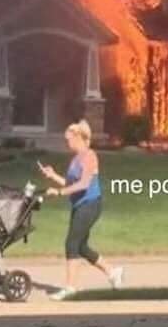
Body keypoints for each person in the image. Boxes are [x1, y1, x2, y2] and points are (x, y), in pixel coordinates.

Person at [38, 119, 124, 300]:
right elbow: (70, 184)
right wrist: (53, 176)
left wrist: (59, 192)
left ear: (78, 138)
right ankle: (112, 272)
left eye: (68, 139)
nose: (67, 142)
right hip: (79, 205)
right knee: (81, 247)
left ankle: (70, 288)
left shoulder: (89, 156)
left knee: (71, 243)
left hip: (90, 205)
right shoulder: (75, 159)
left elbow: (84, 184)